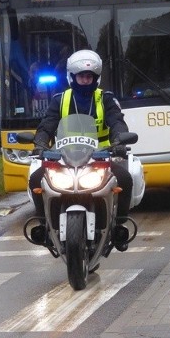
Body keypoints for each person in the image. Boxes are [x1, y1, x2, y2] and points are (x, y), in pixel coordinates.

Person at [29, 49, 134, 250]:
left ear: (96, 78)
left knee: (125, 178)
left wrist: (119, 141)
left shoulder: (106, 99)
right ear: (72, 77)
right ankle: (43, 225)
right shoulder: (60, 100)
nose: (85, 80)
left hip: (99, 158)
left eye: (89, 76)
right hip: (63, 159)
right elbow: (47, 125)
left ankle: (120, 226)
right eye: (81, 76)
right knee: (36, 178)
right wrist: (40, 143)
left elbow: (117, 122)